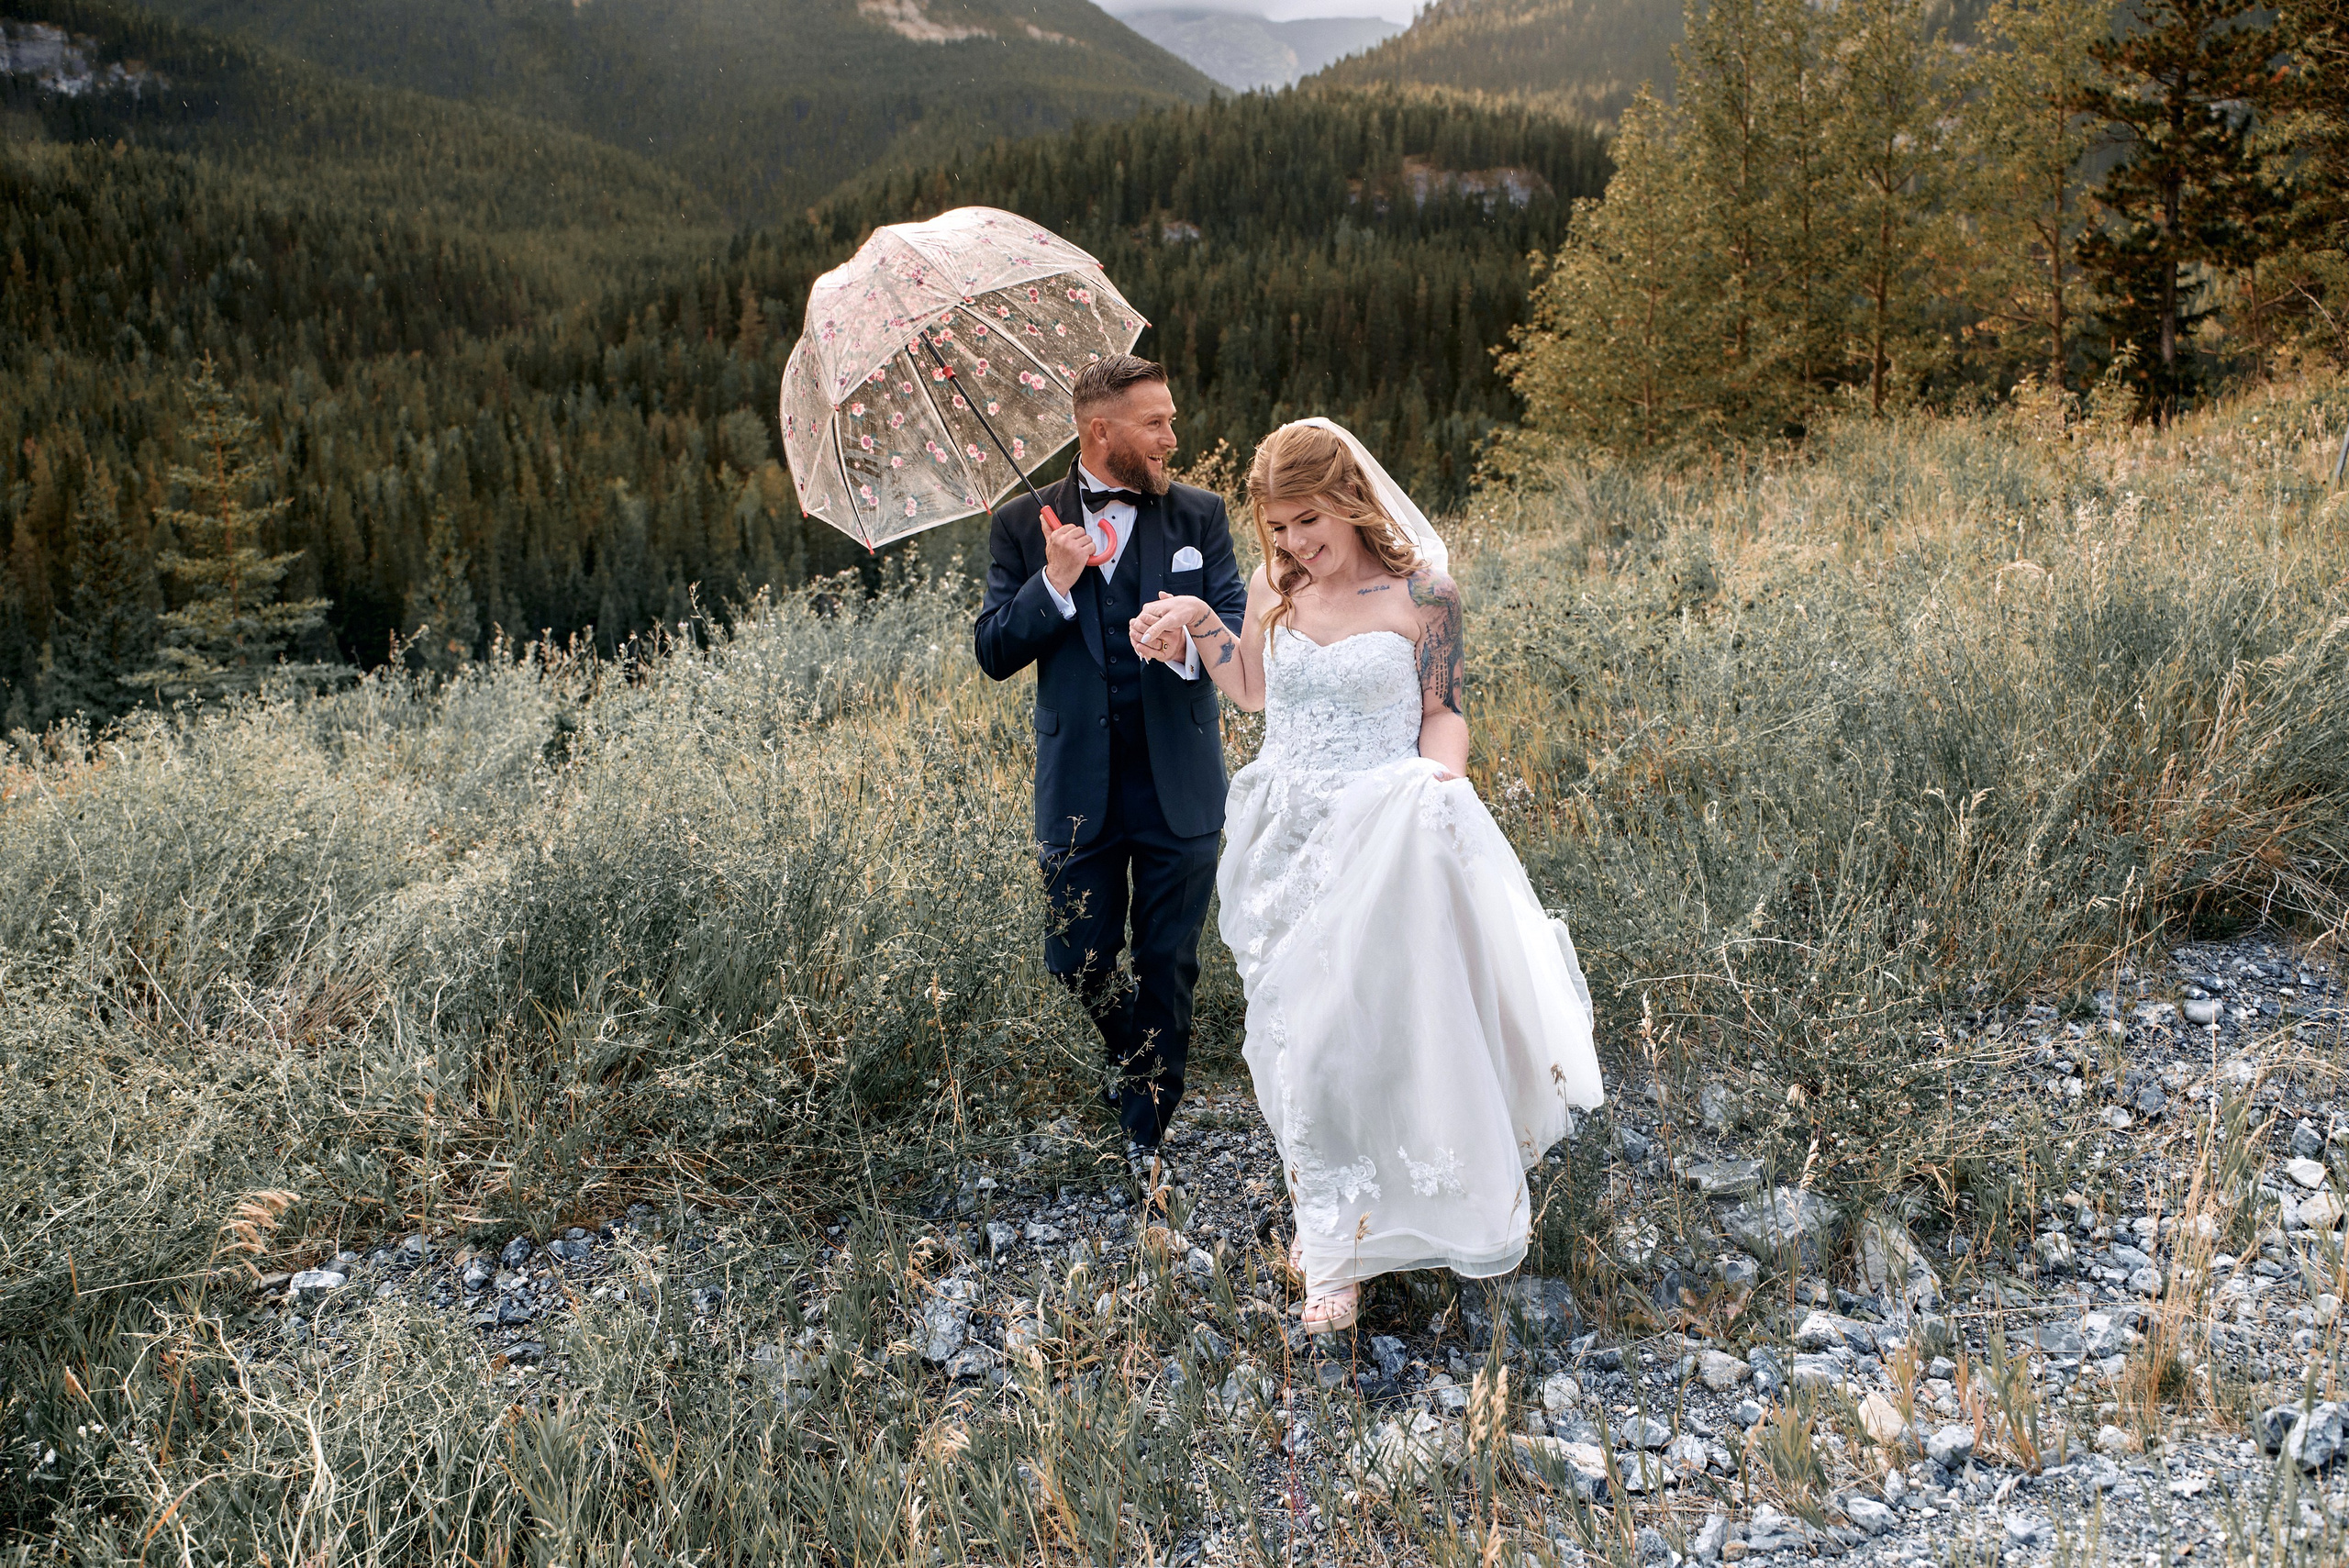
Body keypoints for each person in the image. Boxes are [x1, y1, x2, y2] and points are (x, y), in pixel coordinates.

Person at [1127, 418, 1605, 1332]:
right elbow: (1257, 693)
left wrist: (1441, 785)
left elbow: (1444, 711)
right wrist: (1196, 627)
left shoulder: (1427, 593)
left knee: (1384, 1027)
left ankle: (1377, 1227)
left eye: (1310, 521)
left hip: (1388, 827)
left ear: (1350, 499)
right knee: (1297, 1034)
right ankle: (1329, 1221)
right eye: (1278, 529)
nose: (1297, 544)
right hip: (1284, 835)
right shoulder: (1275, 586)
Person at [973, 356, 1249, 1185]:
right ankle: (1140, 1061)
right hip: (1076, 787)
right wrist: (1054, 581)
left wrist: (1188, 641)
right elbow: (992, 650)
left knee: (1168, 962)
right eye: (1156, 422)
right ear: (1101, 432)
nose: (1173, 436)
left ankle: (1147, 1132)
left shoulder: (1200, 513)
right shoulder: (1024, 525)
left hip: (1181, 780)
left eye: (1170, 419)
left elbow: (1234, 622)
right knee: (1076, 959)